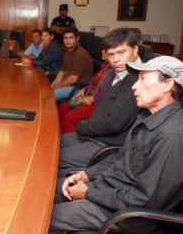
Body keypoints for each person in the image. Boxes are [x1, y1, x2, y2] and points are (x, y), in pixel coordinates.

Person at [50, 56, 183, 234]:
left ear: (167, 85)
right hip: (107, 190)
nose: (134, 86)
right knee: (43, 190)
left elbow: (143, 200)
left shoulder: (172, 136)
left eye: (144, 79)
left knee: (36, 214)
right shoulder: (146, 116)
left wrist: (88, 193)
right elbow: (120, 158)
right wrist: (86, 175)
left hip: (122, 214)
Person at [57, 28, 142, 177]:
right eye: (111, 54)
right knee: (49, 143)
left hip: (107, 144)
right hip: (97, 135)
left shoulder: (135, 79)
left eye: (121, 53)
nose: (115, 60)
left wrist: (84, 127)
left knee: (53, 158)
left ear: (135, 50)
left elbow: (114, 122)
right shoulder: (119, 72)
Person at [58, 50, 114, 134]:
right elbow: (93, 83)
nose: (102, 51)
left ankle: (65, 143)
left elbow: (108, 95)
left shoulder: (114, 72)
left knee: (69, 118)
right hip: (88, 96)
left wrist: (90, 99)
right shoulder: (104, 66)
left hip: (97, 103)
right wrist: (83, 90)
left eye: (105, 49)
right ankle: (57, 133)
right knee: (63, 107)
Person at [50, 27, 94, 102]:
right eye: (65, 38)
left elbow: (73, 79)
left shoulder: (79, 55)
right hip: (68, 85)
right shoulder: (68, 52)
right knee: (48, 91)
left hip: (78, 88)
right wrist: (52, 85)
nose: (68, 41)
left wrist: (56, 87)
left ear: (77, 38)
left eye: (71, 38)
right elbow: (61, 72)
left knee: (52, 95)